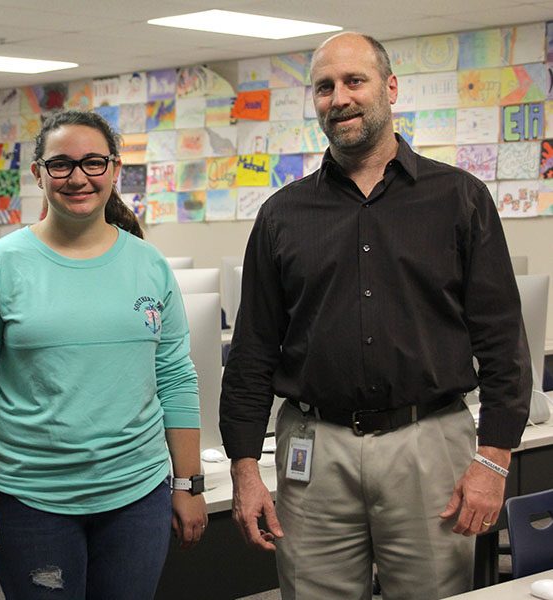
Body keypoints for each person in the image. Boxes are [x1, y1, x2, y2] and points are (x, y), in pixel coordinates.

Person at [220, 32, 531, 600]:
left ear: (389, 89)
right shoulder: (282, 215)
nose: (338, 98)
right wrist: (244, 466)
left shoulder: (459, 198)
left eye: (353, 81)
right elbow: (253, 351)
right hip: (313, 451)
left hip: (428, 443)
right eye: (324, 87)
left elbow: (503, 339)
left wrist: (494, 459)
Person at [0, 109, 207, 599]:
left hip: (137, 493)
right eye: (61, 164)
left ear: (114, 170)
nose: (78, 177)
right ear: (38, 172)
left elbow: (174, 376)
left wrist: (189, 483)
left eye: (93, 162)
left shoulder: (149, 264)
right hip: (31, 498)